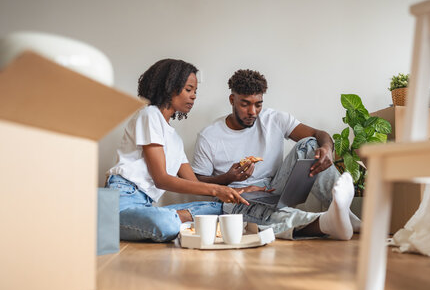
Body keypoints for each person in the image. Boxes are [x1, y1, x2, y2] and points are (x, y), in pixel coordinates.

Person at [191, 69, 361, 240]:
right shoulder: (209, 136)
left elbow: (319, 134)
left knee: (309, 144)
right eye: (245, 104)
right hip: (236, 196)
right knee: (255, 213)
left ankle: (346, 215)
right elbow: (197, 182)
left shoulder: (275, 119)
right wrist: (228, 177)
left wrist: (327, 149)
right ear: (232, 100)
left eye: (258, 104)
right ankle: (327, 222)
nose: (253, 112)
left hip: (274, 187)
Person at [105, 59, 247, 243]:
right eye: (188, 89)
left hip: (146, 205)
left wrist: (233, 188)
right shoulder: (149, 115)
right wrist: (216, 189)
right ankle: (176, 219)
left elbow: (193, 183)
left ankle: (179, 218)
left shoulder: (174, 139)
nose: (194, 96)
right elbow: (161, 179)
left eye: (195, 91)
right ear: (169, 86)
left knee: (224, 208)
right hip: (123, 200)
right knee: (165, 223)